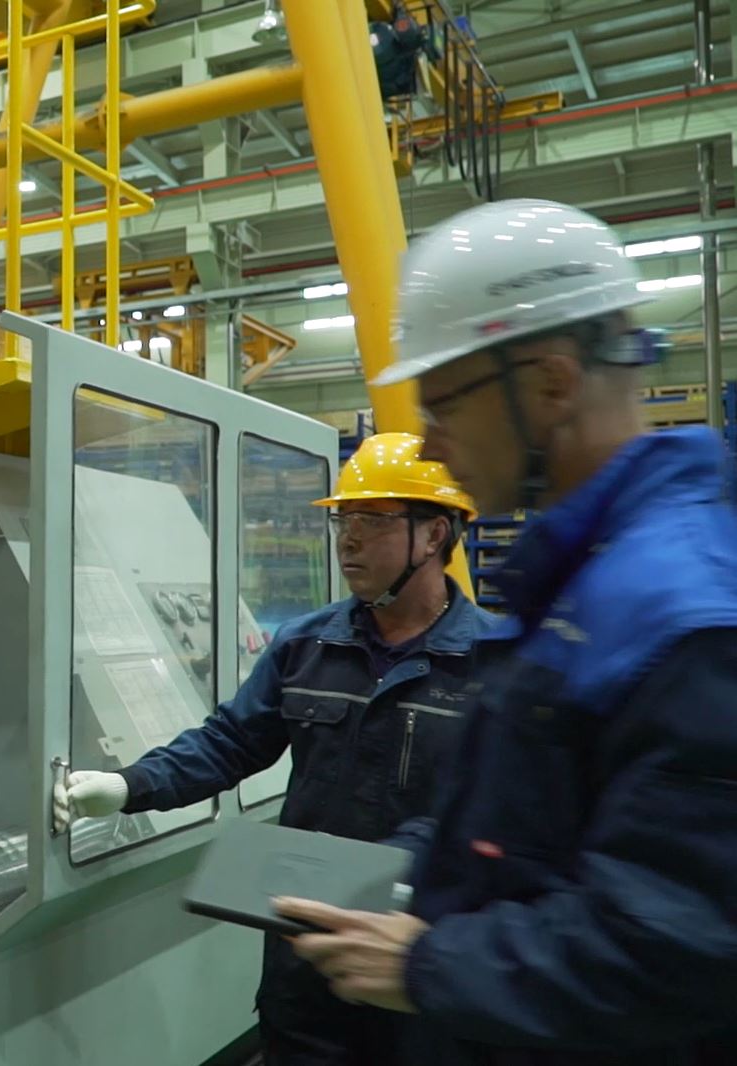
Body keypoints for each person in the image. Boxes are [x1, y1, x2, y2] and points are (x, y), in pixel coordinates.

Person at [276, 199, 737, 1066]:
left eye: (443, 406)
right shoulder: (586, 582)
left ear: (550, 384)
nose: (432, 447)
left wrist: (427, 965)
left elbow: (678, 944)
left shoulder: (683, 615)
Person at [52, 432, 484, 1066]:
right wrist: (129, 785)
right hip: (306, 963)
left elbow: (486, 815)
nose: (348, 539)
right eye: (342, 520)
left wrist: (386, 874)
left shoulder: (491, 664)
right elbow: (230, 742)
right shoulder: (307, 646)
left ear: (434, 535)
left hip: (415, 962)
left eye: (371, 520)